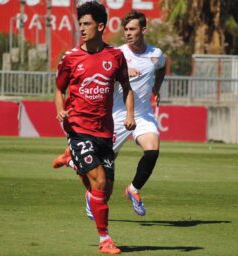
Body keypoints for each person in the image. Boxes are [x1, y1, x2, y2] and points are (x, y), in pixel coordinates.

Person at [53, 10, 166, 217]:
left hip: (142, 115)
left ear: (143, 30)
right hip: (115, 117)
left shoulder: (156, 54)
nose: (128, 33)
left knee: (153, 150)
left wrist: (157, 88)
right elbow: (102, 75)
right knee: (99, 174)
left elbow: (162, 68)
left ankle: (133, 189)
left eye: (132, 29)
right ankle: (75, 167)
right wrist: (122, 74)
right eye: (125, 30)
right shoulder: (118, 53)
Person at [54, 1, 136, 254]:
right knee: (99, 182)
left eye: (87, 23)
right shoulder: (70, 58)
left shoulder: (115, 56)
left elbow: (126, 87)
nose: (82, 28)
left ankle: (72, 161)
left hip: (104, 131)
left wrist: (130, 114)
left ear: (101, 26)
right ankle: (105, 240)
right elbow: (59, 88)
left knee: (104, 191)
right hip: (77, 127)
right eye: (80, 24)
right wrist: (60, 109)